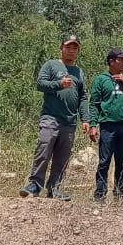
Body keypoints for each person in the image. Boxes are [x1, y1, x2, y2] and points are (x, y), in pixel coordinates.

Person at [22, 34, 89, 200]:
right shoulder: (51, 65)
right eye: (68, 46)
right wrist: (58, 84)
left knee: (62, 158)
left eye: (75, 47)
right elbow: (40, 83)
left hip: (70, 121)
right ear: (61, 48)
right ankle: (34, 185)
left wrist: (86, 119)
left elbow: (83, 97)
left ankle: (54, 188)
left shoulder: (79, 72)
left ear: (78, 50)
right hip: (50, 117)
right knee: (43, 150)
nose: (72, 50)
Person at [87, 46, 123, 201]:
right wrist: (93, 124)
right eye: (121, 59)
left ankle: (119, 192)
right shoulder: (101, 80)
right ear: (111, 61)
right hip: (107, 125)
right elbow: (94, 104)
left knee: (122, 160)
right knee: (104, 160)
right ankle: (100, 192)